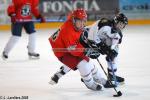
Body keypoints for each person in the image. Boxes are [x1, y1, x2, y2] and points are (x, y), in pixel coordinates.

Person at [48, 8, 115, 91]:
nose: (82, 24)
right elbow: (74, 51)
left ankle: (100, 80)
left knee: (88, 61)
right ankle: (89, 83)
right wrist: (87, 51)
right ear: (73, 20)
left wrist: (92, 46)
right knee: (83, 63)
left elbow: (81, 39)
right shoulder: (68, 31)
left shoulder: (75, 25)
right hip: (62, 51)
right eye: (80, 21)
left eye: (84, 21)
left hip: (67, 46)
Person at [80, 13, 128, 84]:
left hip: (96, 41)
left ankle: (112, 75)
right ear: (116, 21)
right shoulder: (105, 25)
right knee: (84, 57)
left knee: (114, 53)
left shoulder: (118, 34)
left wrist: (110, 53)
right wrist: (102, 47)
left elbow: (114, 44)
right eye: (120, 23)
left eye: (123, 25)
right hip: (85, 37)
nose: (121, 26)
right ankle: (87, 75)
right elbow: (93, 35)